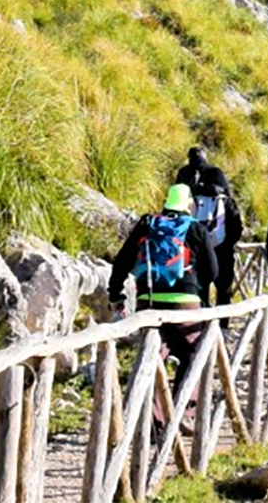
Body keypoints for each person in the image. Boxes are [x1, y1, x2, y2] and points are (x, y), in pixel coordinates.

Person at [108, 183, 219, 385]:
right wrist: (197, 290)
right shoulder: (196, 228)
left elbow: (123, 261)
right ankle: (183, 409)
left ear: (166, 202)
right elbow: (212, 271)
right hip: (185, 301)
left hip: (148, 299)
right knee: (193, 354)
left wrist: (115, 294)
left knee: (153, 357)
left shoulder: (147, 224)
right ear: (188, 204)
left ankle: (152, 414)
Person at [174, 146, 243, 305]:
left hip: (195, 247)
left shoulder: (184, 174)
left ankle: (203, 323)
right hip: (221, 246)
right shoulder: (218, 176)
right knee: (223, 288)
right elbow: (235, 222)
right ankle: (223, 327)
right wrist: (228, 243)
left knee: (200, 287)